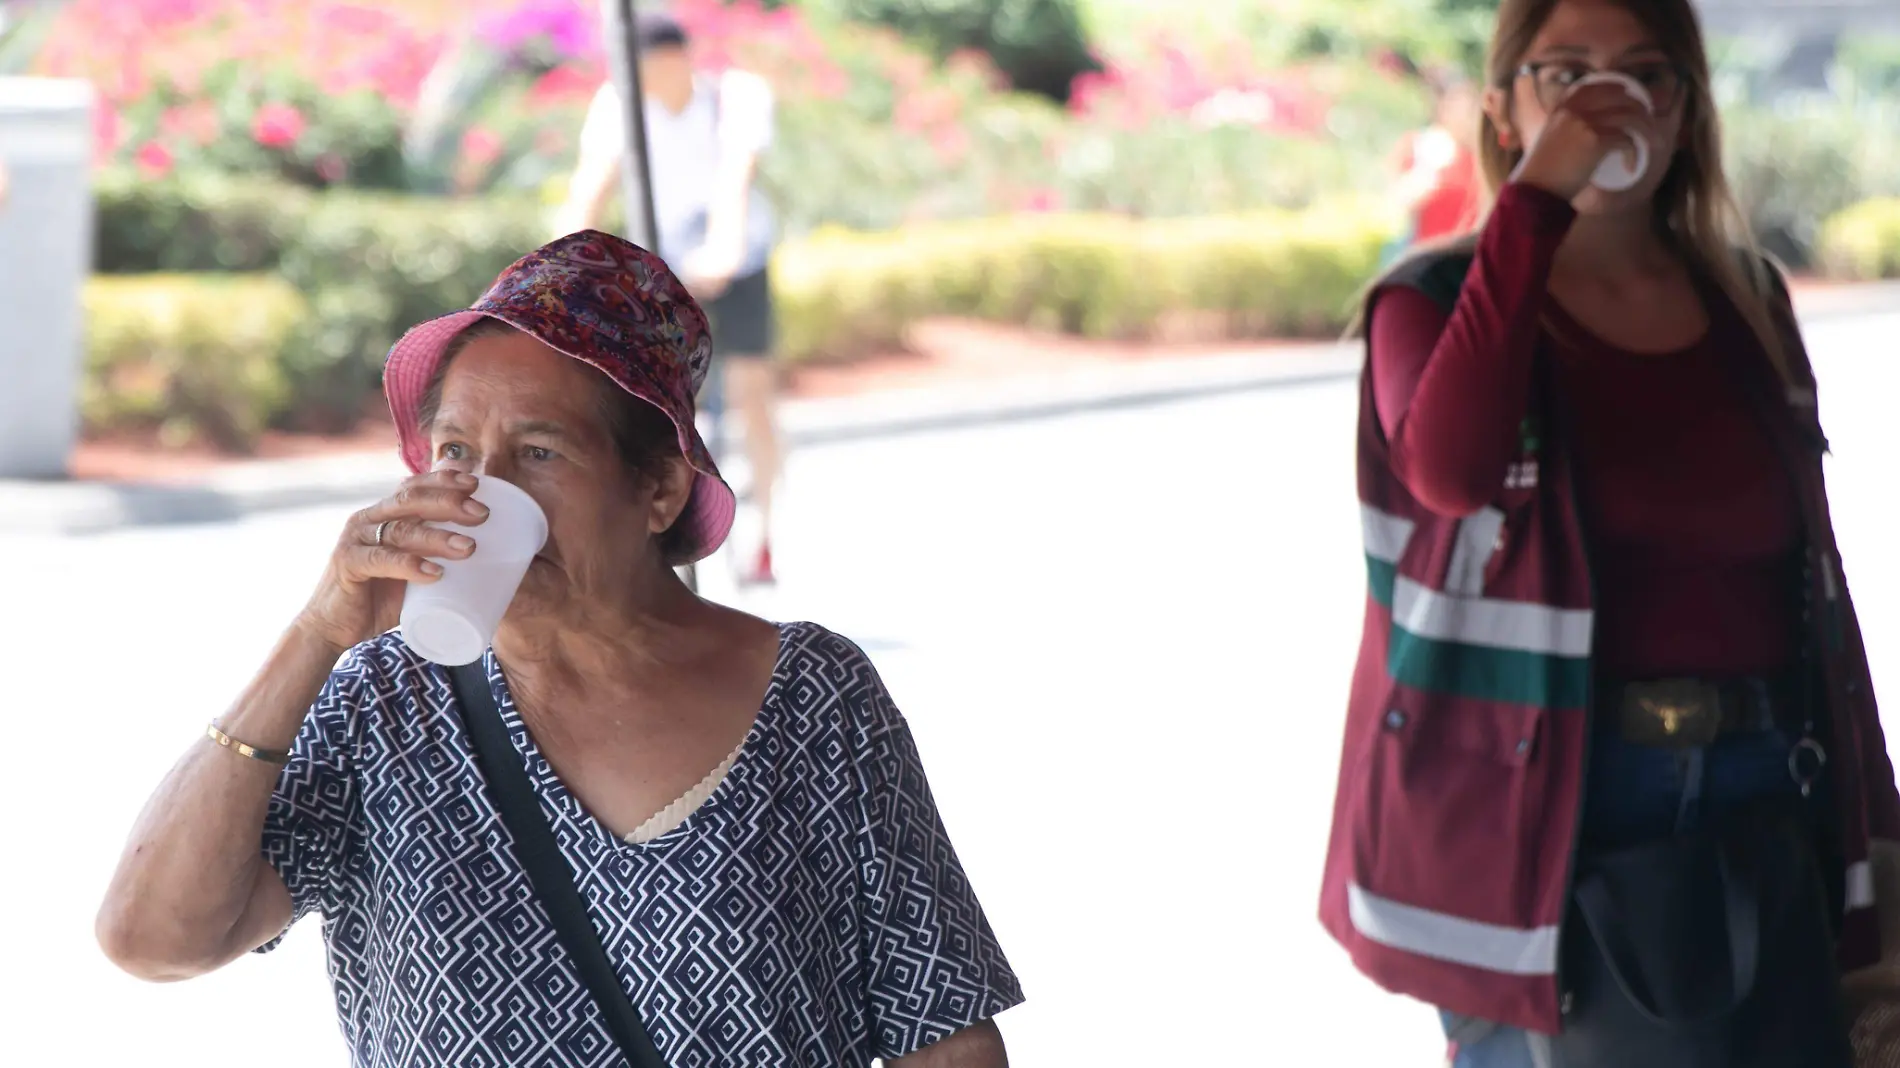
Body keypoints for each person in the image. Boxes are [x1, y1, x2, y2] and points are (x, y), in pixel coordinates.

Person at [95, 231, 1022, 1068]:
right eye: (455, 450)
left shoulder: (814, 698)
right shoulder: (384, 703)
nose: (480, 493)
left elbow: (945, 1035)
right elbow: (153, 939)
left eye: (539, 453)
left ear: (657, 490)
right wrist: (315, 635)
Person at [1318, 0, 1899, 1064]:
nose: (1606, 101)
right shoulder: (1431, 300)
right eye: (1565, 72)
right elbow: (1450, 473)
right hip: (1544, 806)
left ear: (1683, 110)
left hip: (1766, 782)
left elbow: (1815, 577)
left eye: (1643, 73)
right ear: (1502, 108)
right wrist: (1536, 203)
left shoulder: (1746, 298)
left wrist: (1881, 828)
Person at [555, 10, 784, 586]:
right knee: (661, 404)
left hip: (738, 263)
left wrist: (723, 249)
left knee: (752, 393)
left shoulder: (736, 96)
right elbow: (591, 185)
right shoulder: (619, 104)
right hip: (663, 272)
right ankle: (670, 529)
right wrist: (555, 268)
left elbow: (736, 174)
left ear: (676, 58)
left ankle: (763, 533)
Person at [1388, 73, 1484, 249]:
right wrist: (1430, 168)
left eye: (1471, 109)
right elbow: (1400, 201)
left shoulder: (1482, 156)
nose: (1466, 117)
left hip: (1468, 254)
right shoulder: (1418, 145)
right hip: (1428, 255)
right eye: (1458, 108)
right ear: (1442, 108)